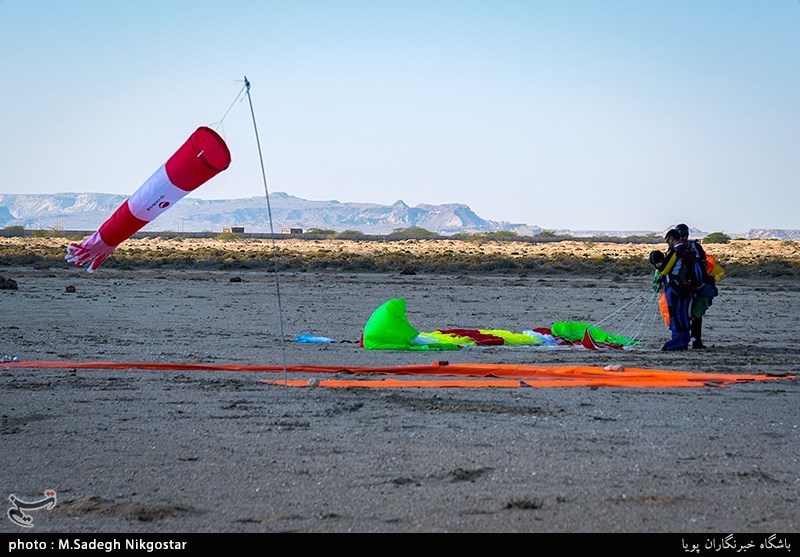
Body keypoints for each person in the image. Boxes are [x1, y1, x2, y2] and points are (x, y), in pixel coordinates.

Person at [675, 223, 718, 349]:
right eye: (680, 236)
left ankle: (696, 340)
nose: (682, 238)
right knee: (684, 313)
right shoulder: (675, 248)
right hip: (682, 286)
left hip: (699, 284)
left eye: (684, 235)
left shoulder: (696, 247)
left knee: (697, 313)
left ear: (687, 235)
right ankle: (683, 339)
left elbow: (704, 263)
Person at [653, 229, 694, 351]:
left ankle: (676, 341)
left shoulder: (676, 251)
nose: (668, 244)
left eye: (668, 241)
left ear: (671, 239)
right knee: (684, 315)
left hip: (675, 288)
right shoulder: (689, 250)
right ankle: (684, 340)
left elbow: (664, 270)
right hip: (688, 288)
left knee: (675, 315)